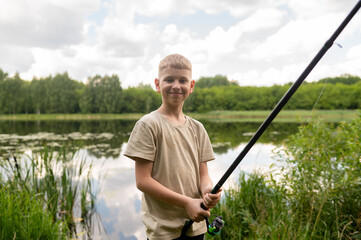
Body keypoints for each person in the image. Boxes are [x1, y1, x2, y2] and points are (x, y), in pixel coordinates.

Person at [124, 53, 221, 240]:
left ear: (191, 86)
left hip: (196, 224)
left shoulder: (197, 128)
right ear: (157, 84)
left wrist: (208, 191)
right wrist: (186, 203)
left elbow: (203, 175)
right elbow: (142, 181)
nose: (176, 85)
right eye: (169, 79)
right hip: (163, 229)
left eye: (183, 80)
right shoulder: (148, 125)